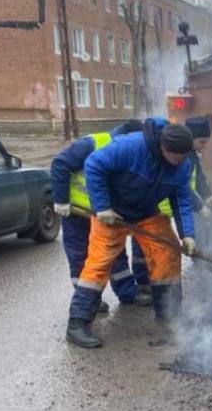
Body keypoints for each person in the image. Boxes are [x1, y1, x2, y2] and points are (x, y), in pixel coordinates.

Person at [66, 121, 196, 348]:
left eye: (185, 156)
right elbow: (94, 164)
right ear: (164, 148)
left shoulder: (183, 165)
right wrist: (102, 206)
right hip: (113, 212)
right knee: (99, 263)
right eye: (178, 157)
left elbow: (182, 199)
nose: (182, 162)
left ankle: (169, 313)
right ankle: (77, 323)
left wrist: (188, 234)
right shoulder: (130, 147)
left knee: (167, 252)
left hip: (145, 212)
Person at [50, 119, 151, 315]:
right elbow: (60, 164)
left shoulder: (128, 152)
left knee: (115, 252)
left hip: (104, 214)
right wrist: (61, 200)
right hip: (77, 214)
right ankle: (90, 301)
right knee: (80, 257)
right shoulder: (92, 143)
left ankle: (127, 292)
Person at [132, 115, 212, 292]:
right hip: (159, 206)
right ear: (192, 139)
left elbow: (199, 177)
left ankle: (155, 282)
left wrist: (208, 195)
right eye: (202, 142)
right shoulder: (179, 154)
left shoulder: (193, 154)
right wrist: (200, 206)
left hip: (177, 206)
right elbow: (183, 187)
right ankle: (143, 283)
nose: (204, 146)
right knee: (143, 245)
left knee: (167, 244)